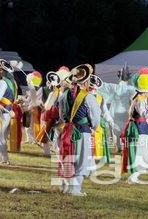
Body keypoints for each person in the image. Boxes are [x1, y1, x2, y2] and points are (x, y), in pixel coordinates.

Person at [58, 64, 101, 196]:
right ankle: (75, 190)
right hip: (83, 132)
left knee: (67, 158)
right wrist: (93, 128)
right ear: (87, 82)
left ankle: (65, 187)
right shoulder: (88, 97)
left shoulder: (63, 95)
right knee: (82, 161)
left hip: (67, 131)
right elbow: (96, 118)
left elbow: (61, 116)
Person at [121, 68, 148, 184]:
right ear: (145, 89)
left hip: (141, 129)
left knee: (145, 155)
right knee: (142, 155)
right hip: (138, 132)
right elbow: (144, 115)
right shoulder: (140, 100)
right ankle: (135, 178)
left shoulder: (140, 99)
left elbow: (144, 119)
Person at [96, 65, 136, 152]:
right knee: (125, 129)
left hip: (114, 111)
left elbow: (99, 87)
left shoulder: (114, 87)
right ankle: (124, 147)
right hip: (125, 111)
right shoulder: (131, 89)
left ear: (119, 77)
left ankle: (118, 146)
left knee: (115, 129)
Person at [88, 74, 114, 165]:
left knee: (99, 140)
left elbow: (105, 110)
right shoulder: (83, 96)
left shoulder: (100, 97)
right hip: (87, 123)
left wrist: (110, 120)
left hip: (98, 123)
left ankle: (98, 157)